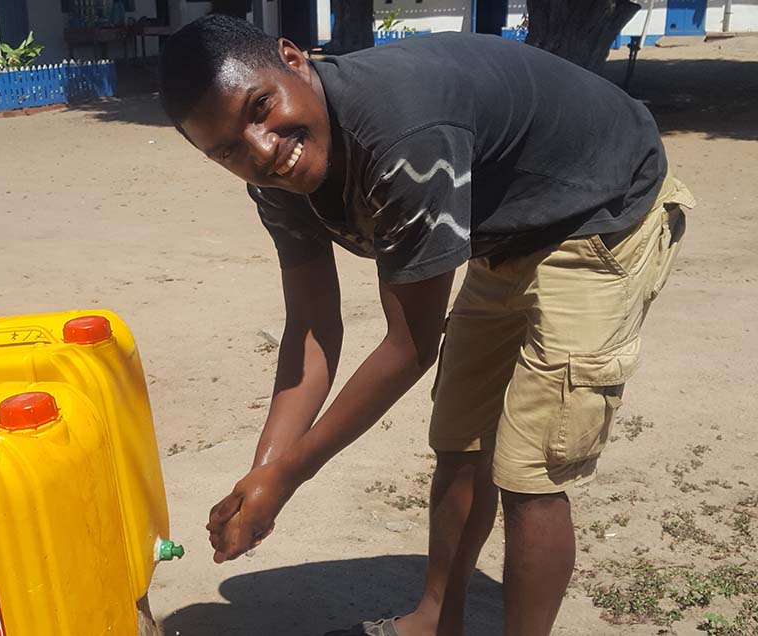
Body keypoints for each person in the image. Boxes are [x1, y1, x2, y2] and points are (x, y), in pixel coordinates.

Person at [157, 15, 695, 636]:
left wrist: (291, 473)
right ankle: (438, 621)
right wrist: (264, 473)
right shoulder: (274, 179)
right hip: (507, 229)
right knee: (461, 439)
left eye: (260, 107)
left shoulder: (404, 135)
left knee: (528, 470)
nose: (261, 149)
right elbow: (311, 326)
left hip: (603, 209)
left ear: (293, 57)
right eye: (226, 148)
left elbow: (412, 344)